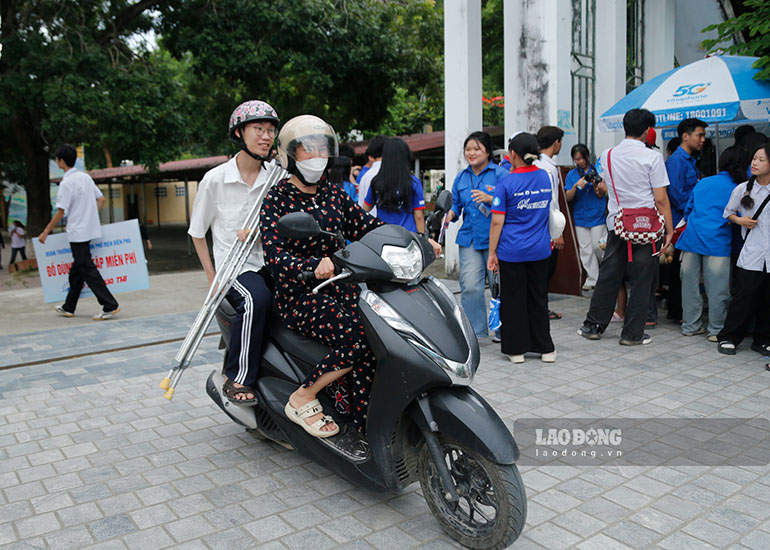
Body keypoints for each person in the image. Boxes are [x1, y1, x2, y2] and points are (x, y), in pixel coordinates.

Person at [260, 114, 383, 442]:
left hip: (341, 287)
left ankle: (364, 415)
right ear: (289, 156)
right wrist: (312, 265)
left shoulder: (335, 194)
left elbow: (367, 227)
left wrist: (411, 238)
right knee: (357, 337)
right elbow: (275, 258)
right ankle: (302, 397)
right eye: (307, 150)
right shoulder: (276, 200)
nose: (316, 156)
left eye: (321, 149)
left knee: (384, 330)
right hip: (299, 295)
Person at [188, 100, 279, 403]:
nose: (266, 136)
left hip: (271, 261)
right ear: (240, 133)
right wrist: (213, 278)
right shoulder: (215, 180)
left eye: (270, 130)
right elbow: (197, 233)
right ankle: (236, 378)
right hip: (235, 268)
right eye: (258, 129)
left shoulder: (276, 178)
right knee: (256, 298)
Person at [578, 108, 674, 346]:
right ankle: (632, 334)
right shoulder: (652, 157)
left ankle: (593, 326)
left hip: (617, 223)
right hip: (647, 227)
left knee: (609, 276)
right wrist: (669, 231)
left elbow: (607, 187)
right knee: (643, 279)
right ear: (647, 131)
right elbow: (661, 199)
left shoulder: (607, 155)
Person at [488, 132, 556, 363]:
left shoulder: (506, 182)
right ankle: (546, 349)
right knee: (538, 298)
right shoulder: (545, 178)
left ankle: (516, 350)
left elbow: (497, 221)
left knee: (514, 299)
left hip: (511, 251)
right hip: (540, 250)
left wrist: (492, 253)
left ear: (512, 154)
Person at [39, 144, 120, 320]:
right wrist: (90, 217)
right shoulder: (85, 178)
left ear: (61, 161)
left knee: (86, 267)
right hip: (88, 230)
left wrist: (45, 232)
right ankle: (69, 306)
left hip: (77, 232)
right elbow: (101, 198)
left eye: (57, 159)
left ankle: (109, 304)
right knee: (77, 269)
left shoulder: (66, 183)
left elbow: (61, 211)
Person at [676, 146, 747, 341]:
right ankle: (716, 330)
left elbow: (688, 210)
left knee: (689, 287)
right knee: (718, 290)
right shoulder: (740, 188)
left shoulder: (703, 182)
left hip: (691, 240)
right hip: (718, 242)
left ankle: (691, 326)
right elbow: (741, 217)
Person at [445, 131, 509, 340]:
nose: (471, 153)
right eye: (468, 149)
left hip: (496, 240)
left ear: (488, 151)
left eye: (477, 149)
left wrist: (491, 198)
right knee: (471, 286)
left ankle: (503, 328)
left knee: (499, 286)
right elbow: (456, 204)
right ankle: (475, 331)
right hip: (470, 239)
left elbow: (511, 202)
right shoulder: (462, 177)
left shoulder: (500, 175)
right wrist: (451, 214)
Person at [717, 143, 770, 356]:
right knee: (744, 297)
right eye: (754, 158)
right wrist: (740, 220)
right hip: (752, 253)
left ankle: (763, 339)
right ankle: (729, 336)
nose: (755, 163)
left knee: (768, 299)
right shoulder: (742, 189)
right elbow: (727, 213)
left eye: (761, 159)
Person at [665, 118, 707, 323]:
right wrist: (695, 209)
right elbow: (675, 193)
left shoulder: (690, 160)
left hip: (689, 221)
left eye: (703, 135)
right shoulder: (676, 161)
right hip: (679, 223)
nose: (703, 140)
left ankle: (679, 310)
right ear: (685, 136)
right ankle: (676, 311)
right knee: (678, 270)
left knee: (683, 269)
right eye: (699, 135)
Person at [564, 144, 607, 290]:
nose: (580, 162)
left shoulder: (598, 171)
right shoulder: (572, 175)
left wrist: (596, 185)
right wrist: (577, 185)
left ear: (587, 156)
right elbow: (568, 197)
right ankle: (593, 278)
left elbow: (601, 194)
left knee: (598, 246)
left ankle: (606, 273)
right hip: (580, 217)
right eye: (577, 159)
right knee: (585, 249)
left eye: (582, 158)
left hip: (597, 215)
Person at [534, 126, 565, 320]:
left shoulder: (537, 163)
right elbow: (551, 200)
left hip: (536, 224)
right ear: (556, 143)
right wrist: (557, 232)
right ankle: (540, 308)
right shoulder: (548, 167)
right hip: (547, 227)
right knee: (545, 270)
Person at [363, 137, 426, 232]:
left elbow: (365, 208)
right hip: (407, 237)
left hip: (383, 235)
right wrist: (422, 238)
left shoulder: (377, 182)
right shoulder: (414, 183)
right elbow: (419, 216)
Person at [357, 135, 388, 214]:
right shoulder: (394, 173)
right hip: (390, 224)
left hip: (370, 222)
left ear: (370, 156)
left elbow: (361, 205)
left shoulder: (365, 177)